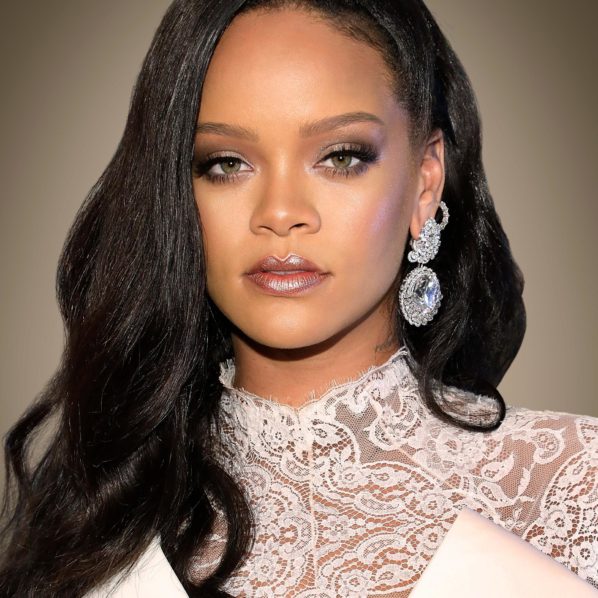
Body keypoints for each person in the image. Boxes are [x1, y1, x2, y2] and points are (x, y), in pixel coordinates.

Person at [1, 0, 597, 596]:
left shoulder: (573, 486)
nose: (280, 212)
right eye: (226, 164)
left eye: (341, 157)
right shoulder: (91, 517)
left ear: (425, 182)